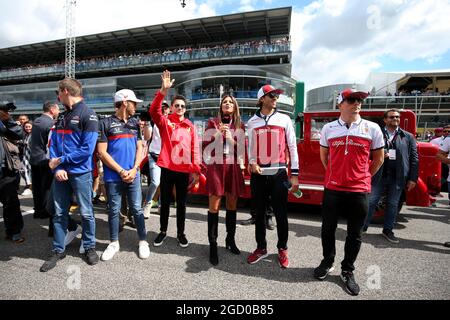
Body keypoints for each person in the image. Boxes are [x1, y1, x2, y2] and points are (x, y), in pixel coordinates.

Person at [314, 88, 385, 296]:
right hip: (333, 188)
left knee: (355, 234)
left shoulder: (372, 128)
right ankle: (327, 262)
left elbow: (379, 159)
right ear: (340, 104)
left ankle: (347, 270)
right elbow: (324, 157)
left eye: (359, 100)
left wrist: (362, 177)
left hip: (359, 190)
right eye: (351, 100)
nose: (357, 103)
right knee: (327, 229)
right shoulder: (328, 128)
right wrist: (335, 175)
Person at [40, 78, 99, 272]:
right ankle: (58, 249)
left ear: (65, 91)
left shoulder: (88, 115)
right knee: (59, 213)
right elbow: (54, 145)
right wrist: (58, 168)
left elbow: (87, 149)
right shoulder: (62, 117)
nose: (57, 96)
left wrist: (61, 161)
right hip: (61, 172)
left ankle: (89, 246)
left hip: (81, 172)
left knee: (86, 212)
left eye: (59, 92)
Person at [246, 84, 299, 269]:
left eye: (276, 95)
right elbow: (250, 147)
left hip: (279, 173)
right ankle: (261, 248)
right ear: (262, 99)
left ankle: (282, 248)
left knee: (280, 213)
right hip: (259, 174)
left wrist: (294, 174)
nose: (275, 97)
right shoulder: (252, 121)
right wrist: (252, 162)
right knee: (259, 213)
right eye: (271, 95)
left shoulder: (284, 119)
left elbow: (292, 146)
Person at [149, 70, 200, 248]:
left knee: (182, 205)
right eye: (176, 105)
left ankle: (180, 233)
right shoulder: (164, 122)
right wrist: (163, 91)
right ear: (171, 107)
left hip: (184, 171)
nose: (179, 108)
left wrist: (196, 171)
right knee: (165, 204)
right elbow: (153, 110)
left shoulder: (190, 126)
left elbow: (195, 149)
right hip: (168, 169)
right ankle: (162, 231)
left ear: (186, 110)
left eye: (182, 106)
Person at [97, 89, 150, 261]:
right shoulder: (105, 123)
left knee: (136, 208)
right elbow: (102, 153)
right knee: (113, 210)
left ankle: (143, 241)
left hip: (133, 174)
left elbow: (140, 147)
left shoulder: (135, 123)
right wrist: (121, 170)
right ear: (125, 102)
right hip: (114, 176)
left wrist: (134, 169)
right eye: (134, 103)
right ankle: (113, 243)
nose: (136, 106)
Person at [363, 109, 418, 243]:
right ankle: (362, 228)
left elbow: (414, 158)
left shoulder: (408, 136)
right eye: (392, 117)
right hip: (379, 175)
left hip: (398, 176)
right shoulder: (377, 134)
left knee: (393, 204)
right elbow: (365, 153)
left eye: (398, 117)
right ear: (385, 120)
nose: (396, 119)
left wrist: (412, 178)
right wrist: (379, 155)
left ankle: (388, 230)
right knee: (371, 202)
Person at [202, 94, 245, 265]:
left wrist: (230, 138)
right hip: (217, 166)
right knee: (214, 205)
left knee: (232, 205)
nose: (227, 104)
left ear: (234, 107)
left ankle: (230, 240)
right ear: (221, 107)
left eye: (230, 102)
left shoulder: (239, 125)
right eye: (224, 102)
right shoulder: (213, 123)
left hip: (232, 166)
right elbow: (205, 144)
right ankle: (213, 245)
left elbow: (242, 149)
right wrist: (218, 135)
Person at [30, 102, 60, 220]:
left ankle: (39, 211)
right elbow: (51, 144)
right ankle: (47, 211)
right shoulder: (51, 123)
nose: (58, 112)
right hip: (45, 159)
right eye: (57, 110)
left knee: (37, 187)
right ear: (52, 110)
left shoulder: (36, 121)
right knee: (47, 187)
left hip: (34, 159)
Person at [0, 102, 25, 243]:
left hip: (5, 170)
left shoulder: (4, 123)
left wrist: (7, 119)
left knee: (11, 202)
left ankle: (14, 232)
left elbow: (18, 134)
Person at [142, 101, 170, 218]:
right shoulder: (152, 122)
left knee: (165, 183)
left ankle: (161, 206)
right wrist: (148, 121)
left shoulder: (171, 121)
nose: (164, 109)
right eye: (161, 107)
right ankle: (147, 204)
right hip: (154, 155)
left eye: (166, 107)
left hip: (168, 157)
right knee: (155, 182)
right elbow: (147, 137)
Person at [19, 121, 33, 195]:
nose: (28, 128)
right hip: (25, 156)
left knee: (29, 171)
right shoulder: (26, 135)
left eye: (29, 126)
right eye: (26, 127)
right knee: (23, 170)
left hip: (31, 156)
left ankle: (29, 187)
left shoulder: (33, 135)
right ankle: (29, 185)